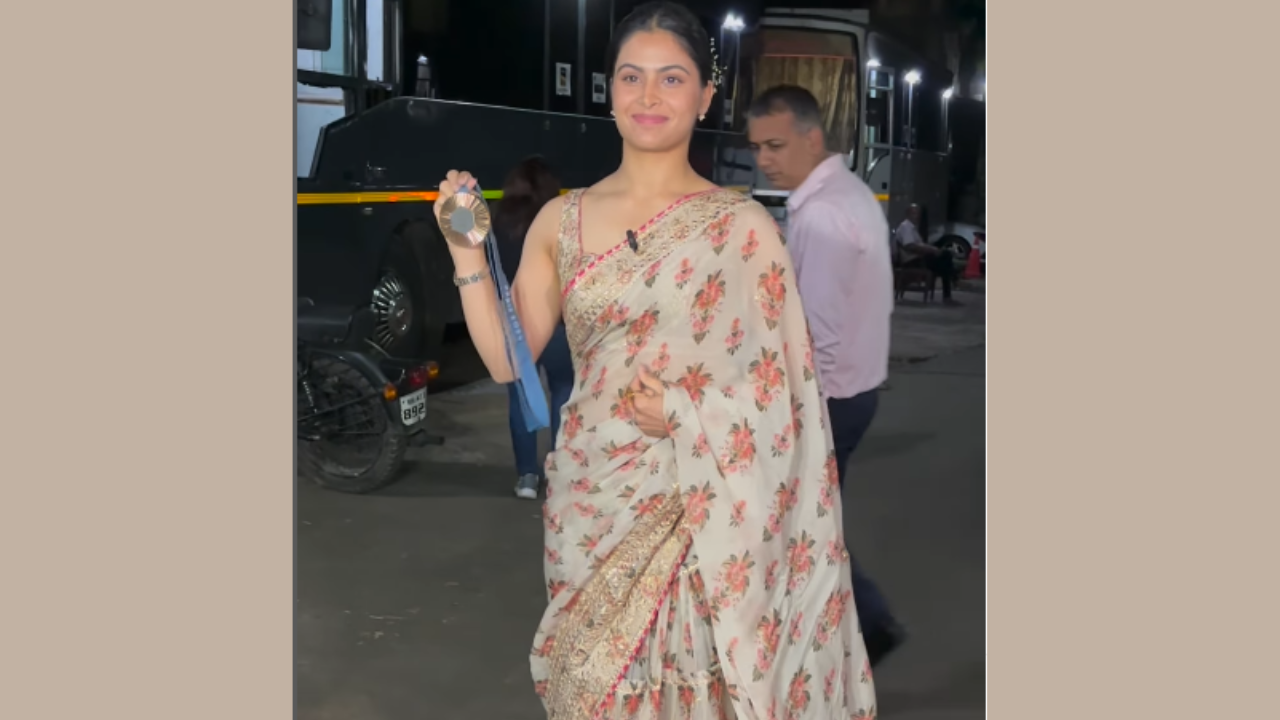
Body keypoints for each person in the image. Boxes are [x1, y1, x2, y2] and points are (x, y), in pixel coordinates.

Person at [432, 3, 877, 718]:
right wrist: (464, 251)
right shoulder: (561, 219)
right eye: (632, 77)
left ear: (705, 97)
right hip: (593, 498)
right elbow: (511, 362)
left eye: (672, 78)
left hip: (698, 506)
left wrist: (684, 411)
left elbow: (784, 398)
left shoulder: (742, 229)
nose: (648, 96)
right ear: (609, 91)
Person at [746, 84, 906, 666]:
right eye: (758, 146)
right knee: (806, 523)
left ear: (812, 139)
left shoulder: (824, 215)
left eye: (776, 145)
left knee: (797, 526)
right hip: (854, 391)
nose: (764, 158)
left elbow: (815, 330)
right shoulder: (848, 195)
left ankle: (854, 627)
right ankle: (859, 626)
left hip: (829, 397)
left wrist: (787, 410)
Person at [492, 156, 575, 500]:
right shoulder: (559, 220)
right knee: (563, 392)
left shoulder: (497, 222)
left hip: (514, 327)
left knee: (520, 399)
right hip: (557, 325)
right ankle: (556, 475)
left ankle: (527, 476)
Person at [894, 204, 960, 305]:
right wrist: (931, 250)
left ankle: (952, 281)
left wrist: (932, 249)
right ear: (908, 214)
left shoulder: (913, 228)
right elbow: (910, 246)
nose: (917, 216)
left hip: (918, 257)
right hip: (912, 260)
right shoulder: (906, 227)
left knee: (945, 258)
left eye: (918, 214)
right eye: (914, 213)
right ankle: (952, 282)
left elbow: (919, 244)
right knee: (945, 259)